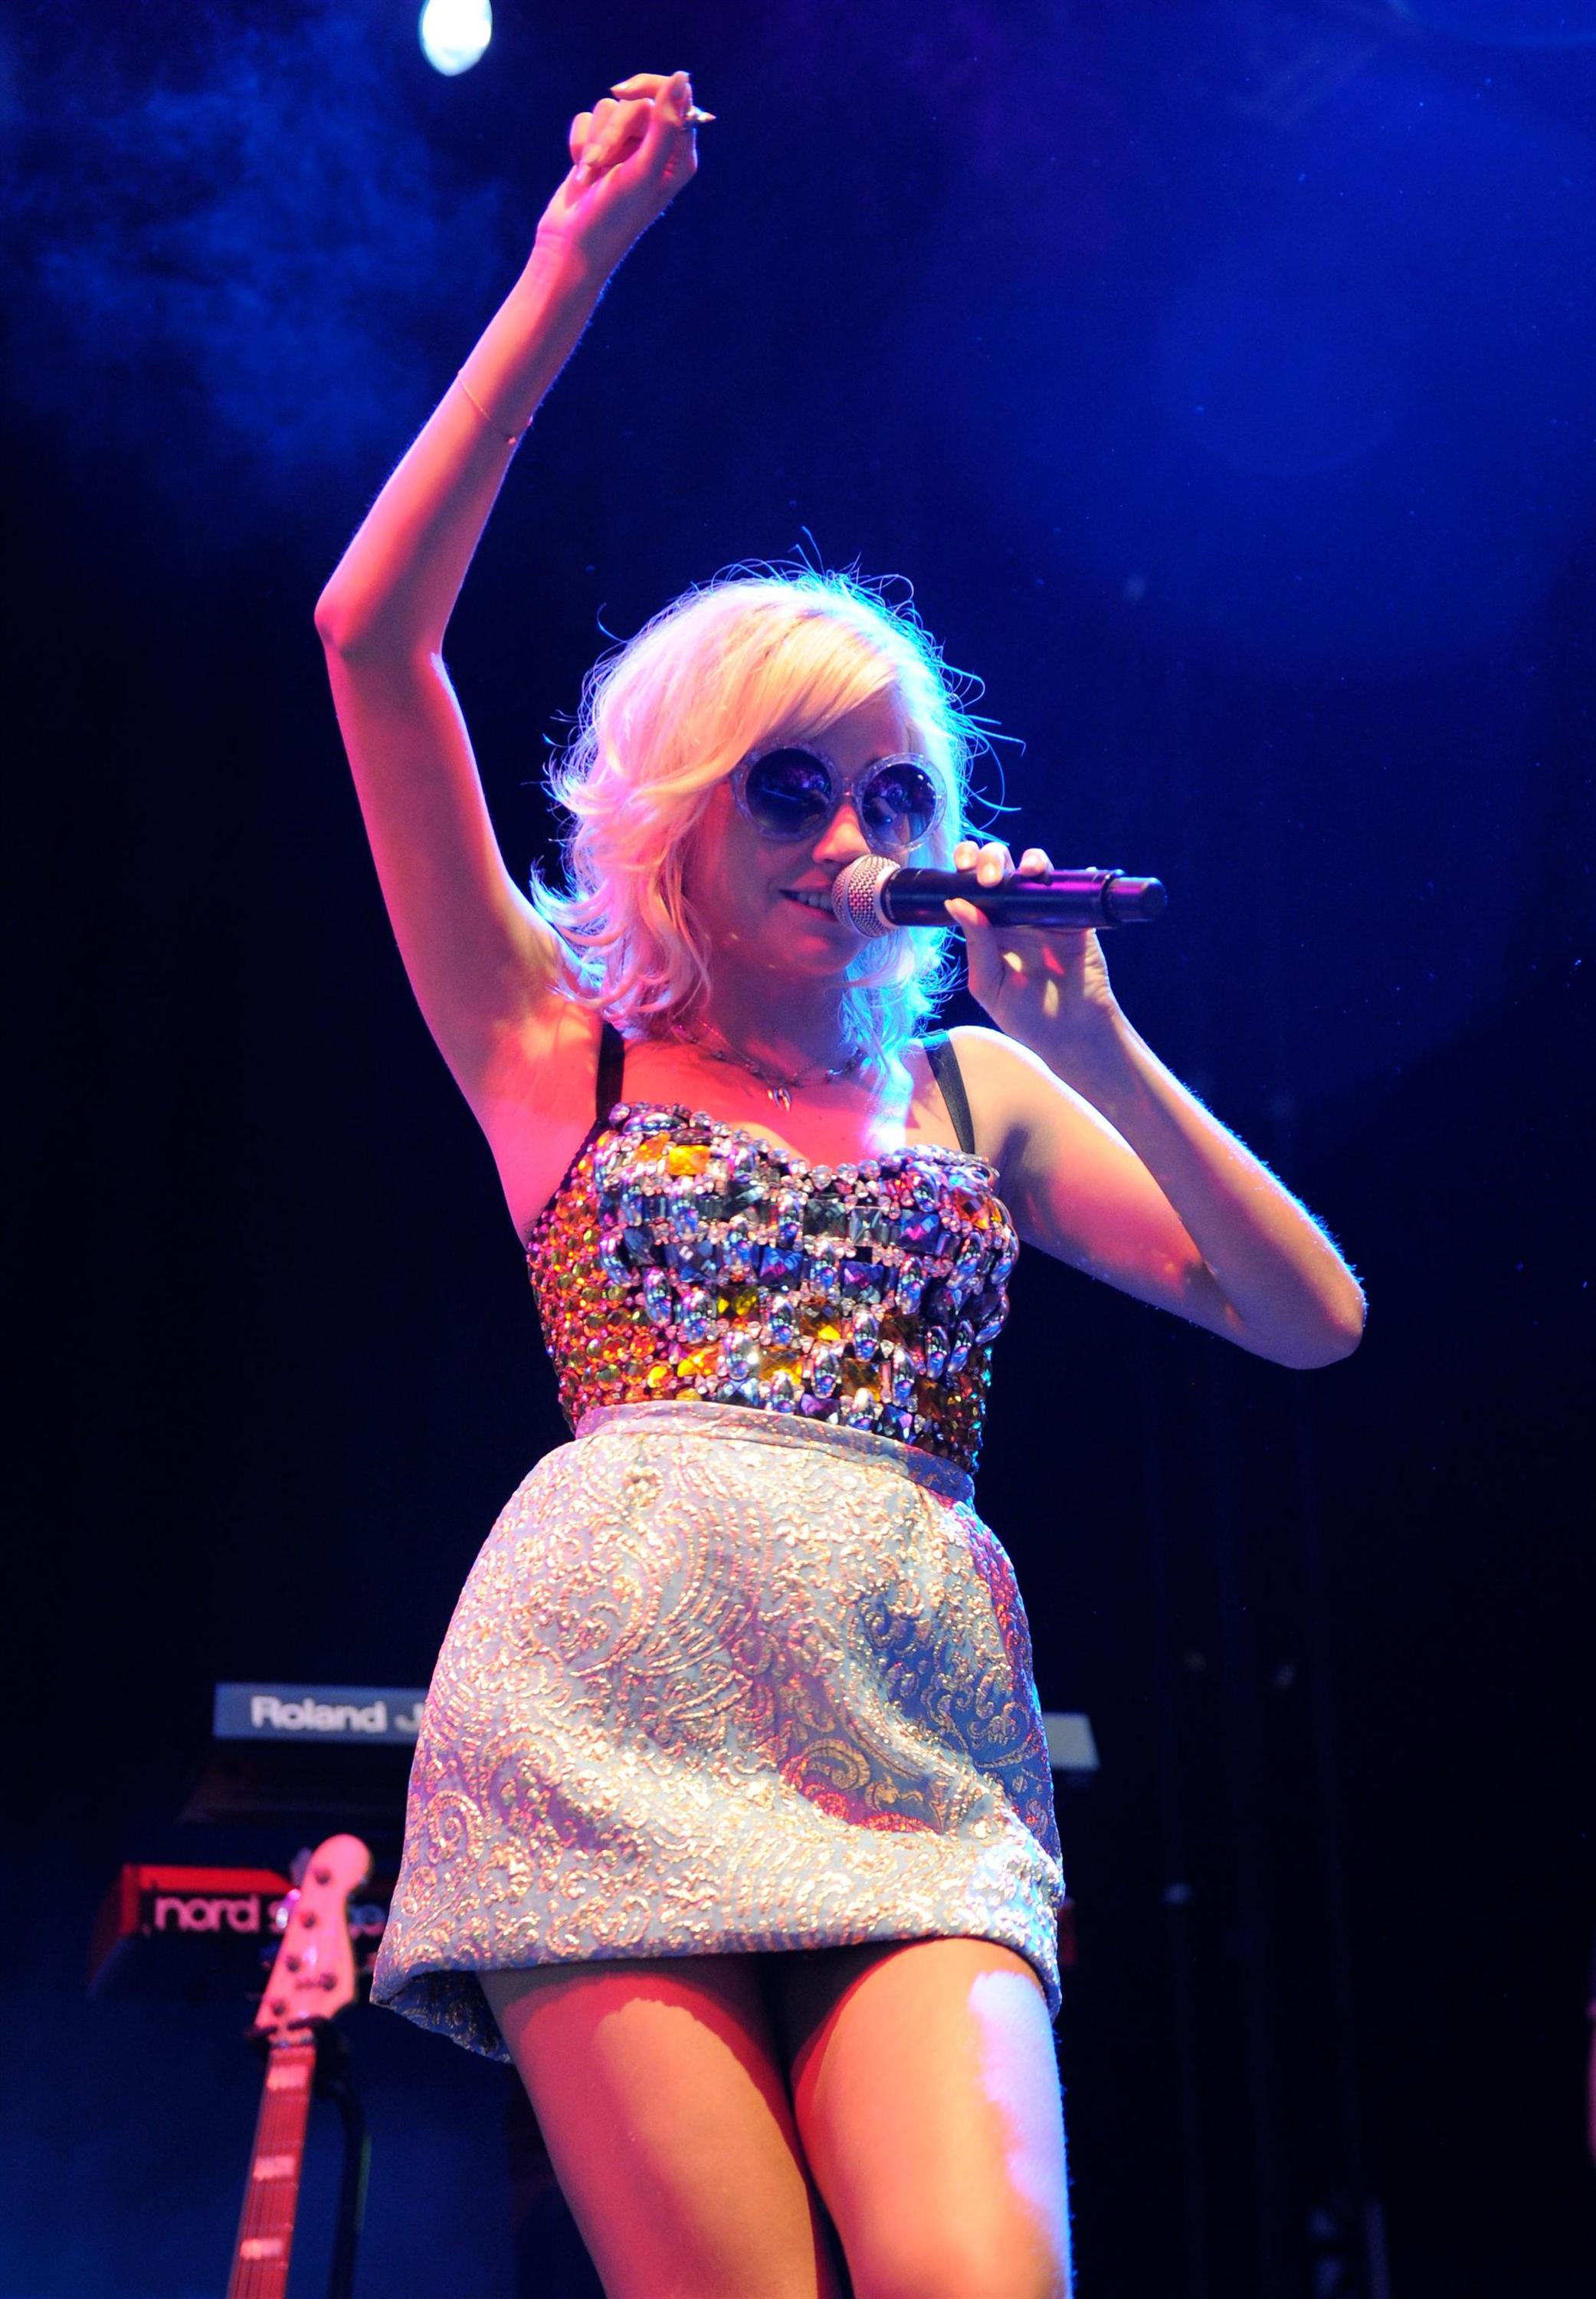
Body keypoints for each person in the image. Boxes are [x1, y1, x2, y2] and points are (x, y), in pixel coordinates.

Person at [315, 68, 1365, 2299]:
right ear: (676, 812)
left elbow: (1308, 1320)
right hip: (599, 1725)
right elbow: (368, 642)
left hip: (911, 1747)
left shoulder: (977, 1094)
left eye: (889, 786)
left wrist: (1102, 1051)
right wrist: (566, 269)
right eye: (783, 784)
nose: (842, 831)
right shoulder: (555, 1047)